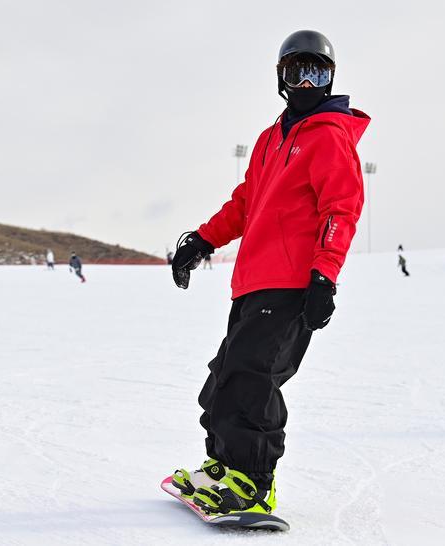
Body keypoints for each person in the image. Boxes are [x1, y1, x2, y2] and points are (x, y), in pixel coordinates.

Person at [169, 30, 369, 516]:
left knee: (254, 378)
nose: (305, 81)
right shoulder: (270, 139)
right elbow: (245, 203)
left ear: (330, 78)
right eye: (295, 71)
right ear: (281, 77)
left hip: (292, 283)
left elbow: (340, 210)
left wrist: (324, 276)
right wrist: (203, 239)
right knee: (225, 376)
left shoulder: (329, 136)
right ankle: (222, 466)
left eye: (316, 72)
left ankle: (255, 483)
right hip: (252, 281)